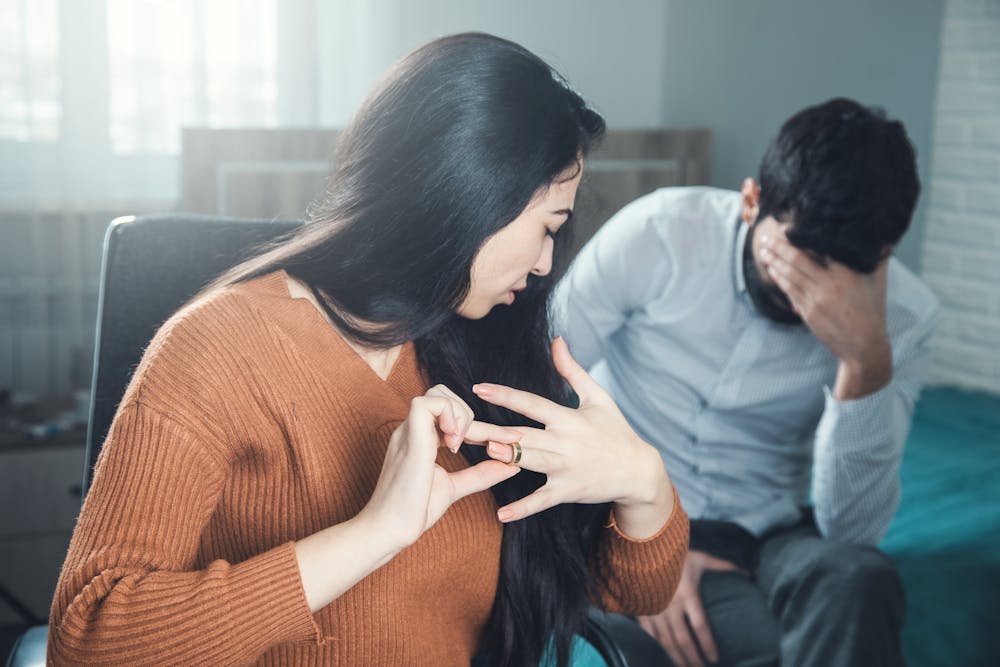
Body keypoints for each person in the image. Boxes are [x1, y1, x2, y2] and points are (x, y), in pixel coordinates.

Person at [47, 33, 689, 667]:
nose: (549, 262)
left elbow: (631, 592)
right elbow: (87, 643)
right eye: (547, 227)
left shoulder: (481, 347)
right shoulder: (218, 350)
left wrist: (642, 483)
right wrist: (373, 533)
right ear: (469, 196)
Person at [554, 97, 939, 667]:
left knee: (858, 582)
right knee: (664, 649)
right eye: (802, 257)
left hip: (767, 533)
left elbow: (850, 531)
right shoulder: (658, 235)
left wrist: (863, 366)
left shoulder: (903, 317)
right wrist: (638, 548)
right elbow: (538, 389)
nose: (819, 295)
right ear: (751, 201)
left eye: (847, 270)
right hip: (626, 512)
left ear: (882, 256)